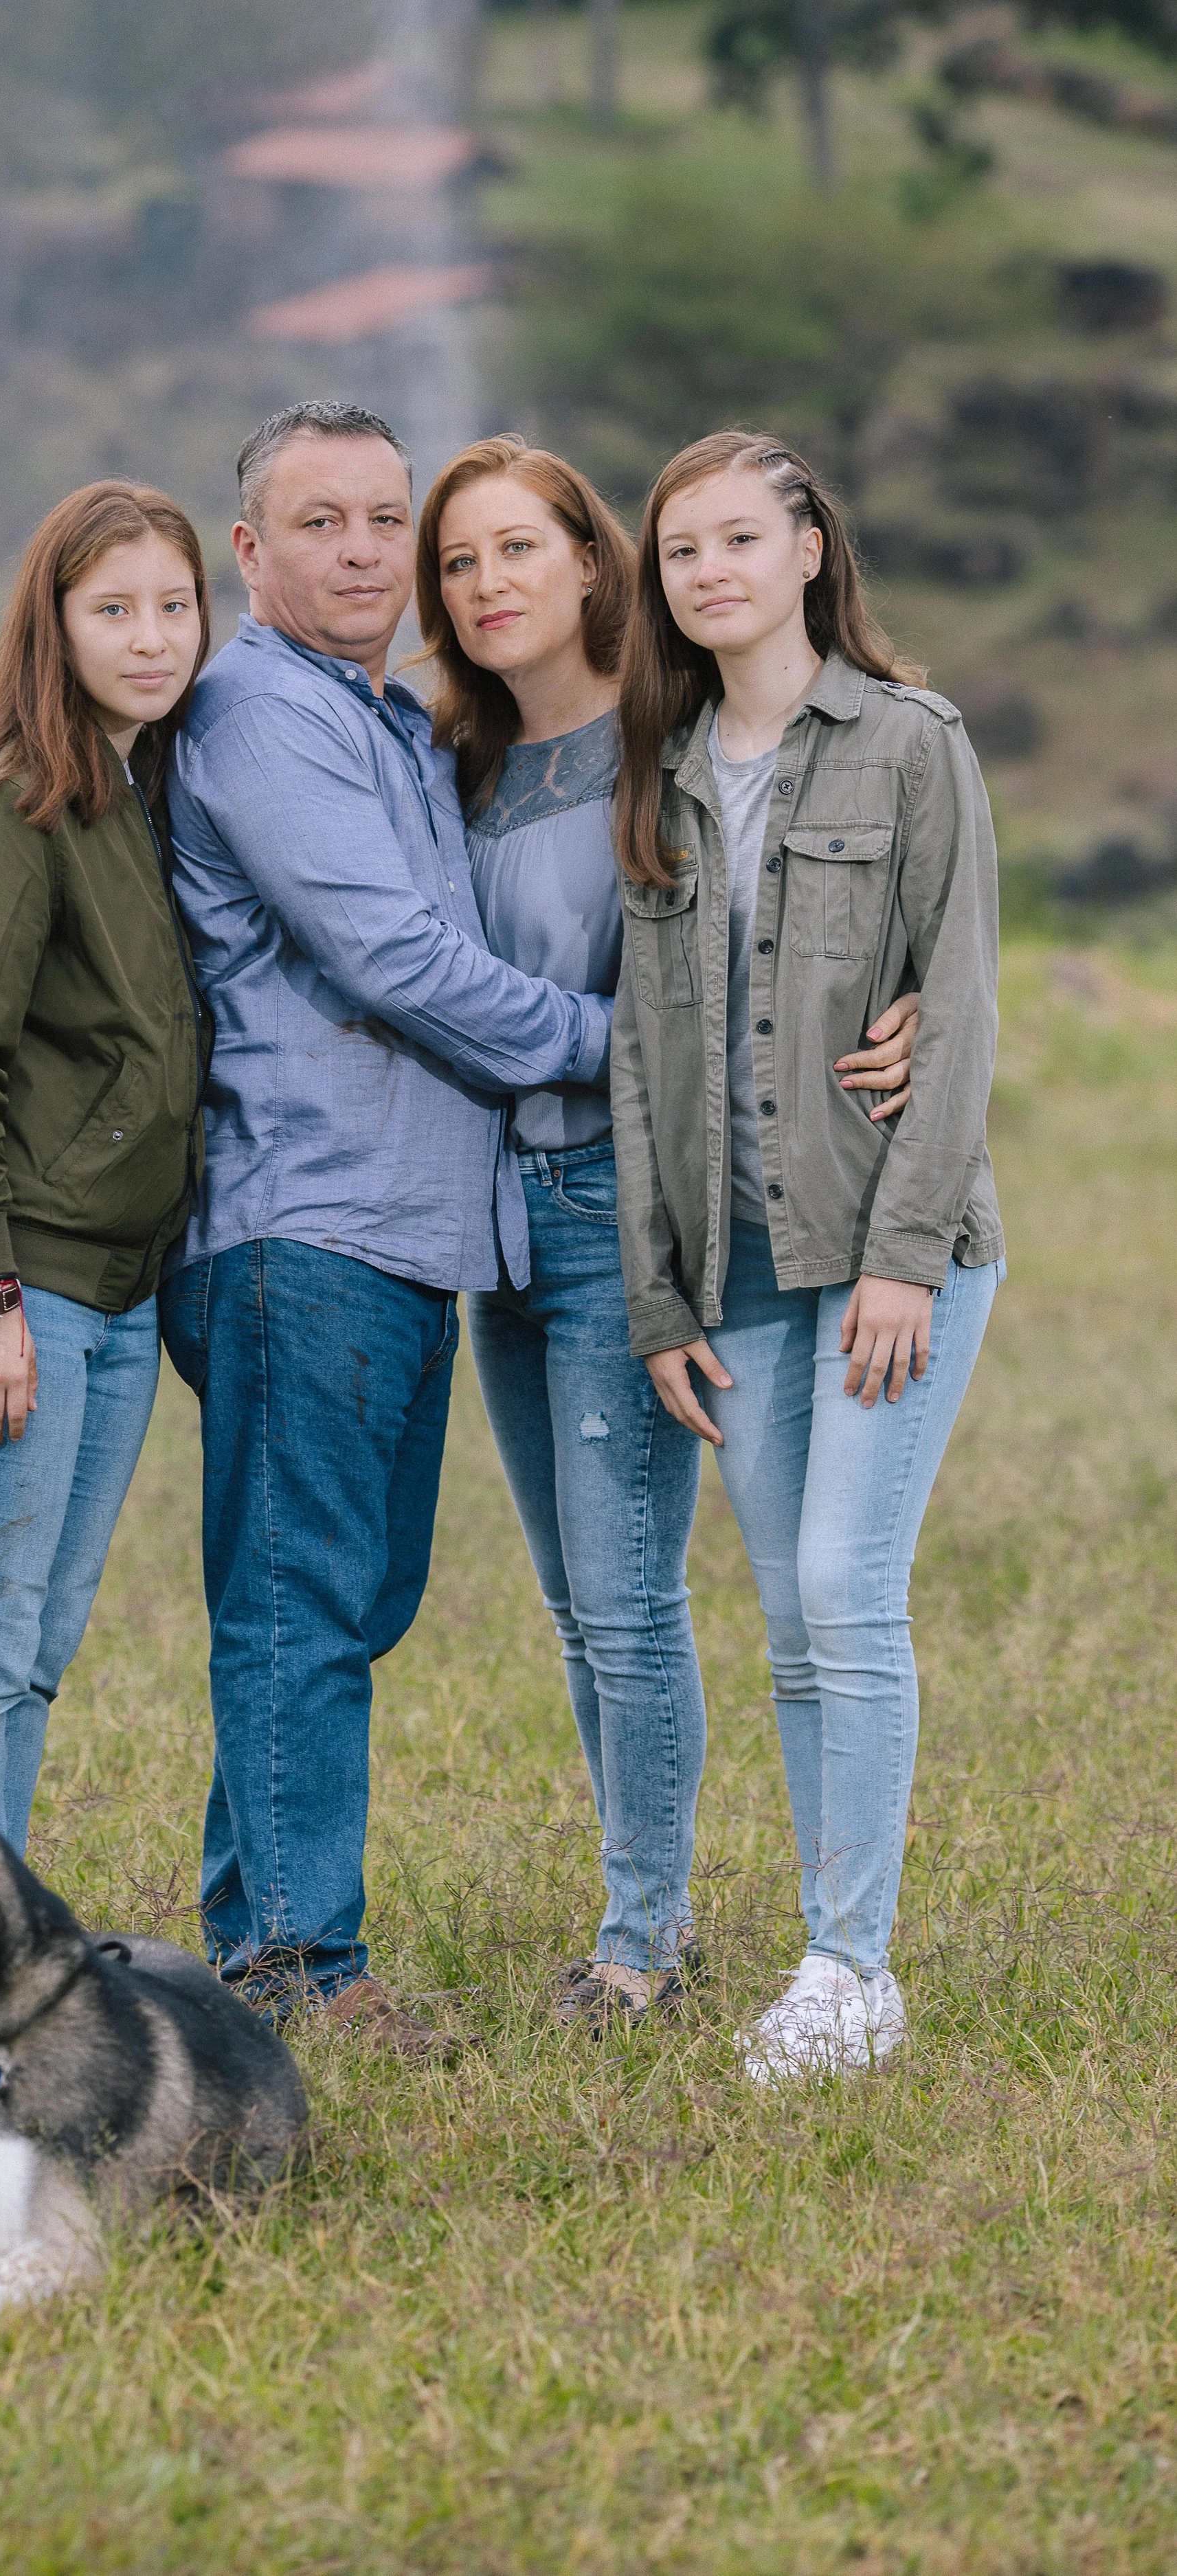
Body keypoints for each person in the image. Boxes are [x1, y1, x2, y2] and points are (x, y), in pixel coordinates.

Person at [418, 433, 921, 2031]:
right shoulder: (451, 759)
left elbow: (801, 924)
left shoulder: (676, 743)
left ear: (588, 564)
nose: (486, 586)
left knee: (635, 1596)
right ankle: (649, 1908)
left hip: (631, 1214)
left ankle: (644, 1945)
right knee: (576, 1601)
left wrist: (893, 1010)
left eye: (516, 550)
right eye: (457, 561)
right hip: (490, 1221)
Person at [159, 400, 623, 2054]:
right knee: (301, 1600)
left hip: (403, 1234)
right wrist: (627, 1049)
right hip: (303, 1224)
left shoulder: (388, 722)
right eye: (320, 523)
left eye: (382, 521)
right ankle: (296, 1971)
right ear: (248, 552)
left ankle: (257, 1933)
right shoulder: (259, 715)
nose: (360, 552)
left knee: (344, 1598)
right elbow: (395, 967)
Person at [612, 428, 1005, 2084]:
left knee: (850, 1590)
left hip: (888, 1249)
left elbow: (960, 998)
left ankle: (855, 1970)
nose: (703, 571)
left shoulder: (910, 746)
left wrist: (904, 1259)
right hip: (742, 1268)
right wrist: (659, 1295)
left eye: (732, 542)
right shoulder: (669, 773)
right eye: (677, 551)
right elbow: (642, 1056)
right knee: (788, 1620)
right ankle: (820, 1949)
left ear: (804, 554)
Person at [0, 482, 212, 1855]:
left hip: (113, 1301)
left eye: (175, 607)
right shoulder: (0, 816)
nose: (151, 639)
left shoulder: (134, 798)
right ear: (53, 626)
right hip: (15, 1298)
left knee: (34, 1644)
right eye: (113, 610)